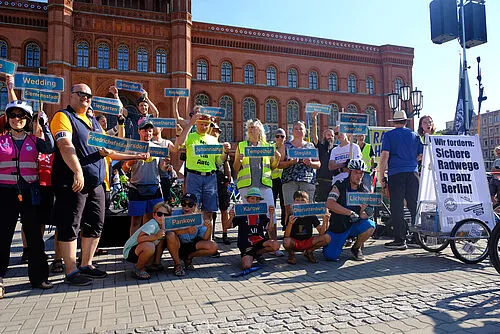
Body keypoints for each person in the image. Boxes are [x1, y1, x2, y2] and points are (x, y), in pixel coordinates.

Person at [50, 83, 114, 286]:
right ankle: (71, 271)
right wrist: (77, 171)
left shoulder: (94, 122)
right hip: (72, 181)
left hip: (96, 183)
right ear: (71, 96)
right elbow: (64, 144)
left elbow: (107, 150)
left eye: (89, 95)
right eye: (81, 94)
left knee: (95, 223)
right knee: (70, 224)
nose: (86, 98)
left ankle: (86, 264)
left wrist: (137, 155)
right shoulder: (63, 117)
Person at [0, 99, 55, 298]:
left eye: (21, 116)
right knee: (2, 237)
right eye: (13, 115)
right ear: (8, 119)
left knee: (34, 237)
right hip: (6, 193)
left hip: (30, 192)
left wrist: (45, 125)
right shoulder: (1, 141)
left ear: (28, 119)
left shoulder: (33, 140)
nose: (16, 119)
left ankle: (39, 277)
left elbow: (49, 148)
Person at [234, 119, 282, 255]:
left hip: (264, 185)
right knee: (247, 216)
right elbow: (236, 168)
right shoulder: (241, 145)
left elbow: (273, 167)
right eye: (249, 127)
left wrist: (277, 158)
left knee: (270, 213)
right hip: (246, 187)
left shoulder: (267, 146)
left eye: (253, 127)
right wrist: (239, 159)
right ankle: (248, 244)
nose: (250, 130)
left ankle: (273, 243)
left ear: (260, 130)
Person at [172, 113, 230, 223]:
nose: (204, 127)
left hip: (210, 177)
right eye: (201, 124)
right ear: (196, 124)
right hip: (194, 176)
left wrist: (225, 152)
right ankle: (194, 236)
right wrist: (190, 124)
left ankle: (208, 238)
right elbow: (180, 143)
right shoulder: (190, 136)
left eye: (206, 125)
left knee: (209, 210)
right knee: (192, 208)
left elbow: (218, 161)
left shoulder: (213, 140)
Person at [378, 110, 423, 250]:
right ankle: (417, 238)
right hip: (413, 173)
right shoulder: (414, 135)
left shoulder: (389, 135)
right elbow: (422, 154)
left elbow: (385, 155)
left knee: (397, 207)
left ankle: (400, 239)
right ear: (405, 121)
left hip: (396, 173)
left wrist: (381, 176)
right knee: (414, 205)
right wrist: (412, 161)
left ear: (394, 121)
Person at [324, 159, 376, 261]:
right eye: (356, 172)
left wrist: (363, 210)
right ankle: (338, 241)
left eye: (361, 173)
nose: (359, 176)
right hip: (339, 226)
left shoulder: (364, 190)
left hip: (354, 225)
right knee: (330, 256)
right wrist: (349, 213)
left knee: (371, 225)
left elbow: (364, 216)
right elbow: (329, 203)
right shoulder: (339, 185)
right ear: (349, 172)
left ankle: (356, 248)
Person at [123, 119, 168, 236]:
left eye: (150, 131)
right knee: (135, 221)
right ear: (139, 131)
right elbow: (124, 168)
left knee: (151, 219)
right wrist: (130, 162)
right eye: (145, 131)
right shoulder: (133, 147)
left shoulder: (157, 148)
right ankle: (132, 247)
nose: (148, 133)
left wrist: (166, 165)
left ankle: (148, 245)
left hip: (154, 188)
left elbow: (162, 169)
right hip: (136, 187)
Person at [225, 188, 280, 269]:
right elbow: (227, 226)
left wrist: (271, 215)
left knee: (275, 245)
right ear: (247, 199)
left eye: (257, 199)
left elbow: (269, 228)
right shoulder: (241, 213)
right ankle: (250, 254)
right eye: (252, 198)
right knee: (246, 266)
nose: (255, 201)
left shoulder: (261, 213)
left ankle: (257, 253)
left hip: (259, 241)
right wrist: (231, 217)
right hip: (246, 243)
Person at [278, 121, 321, 228]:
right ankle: (289, 231)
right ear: (292, 131)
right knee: (289, 208)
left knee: (307, 208)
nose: (298, 131)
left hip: (307, 180)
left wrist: (310, 163)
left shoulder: (310, 145)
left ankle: (307, 231)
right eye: (296, 129)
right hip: (289, 180)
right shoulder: (286, 145)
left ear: (305, 131)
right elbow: (279, 165)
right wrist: (290, 162)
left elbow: (318, 164)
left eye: (301, 129)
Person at [165, 193, 218, 276]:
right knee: (170, 235)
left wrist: (209, 227)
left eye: (190, 204)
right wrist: (185, 231)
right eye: (183, 204)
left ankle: (188, 257)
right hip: (177, 244)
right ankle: (177, 265)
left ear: (195, 206)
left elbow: (205, 238)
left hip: (191, 244)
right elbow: (168, 232)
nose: (186, 207)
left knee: (213, 246)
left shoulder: (198, 217)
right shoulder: (175, 214)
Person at [123, 202, 171, 280]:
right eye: (159, 214)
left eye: (166, 215)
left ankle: (153, 264)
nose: (162, 217)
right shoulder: (152, 224)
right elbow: (140, 238)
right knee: (150, 246)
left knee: (162, 239)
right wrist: (156, 236)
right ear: (154, 215)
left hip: (139, 249)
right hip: (130, 251)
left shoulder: (163, 225)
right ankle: (138, 269)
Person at [283, 191, 330, 264]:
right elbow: (286, 236)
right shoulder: (291, 215)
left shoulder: (311, 215)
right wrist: (290, 223)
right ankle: (291, 254)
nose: (300, 203)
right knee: (286, 241)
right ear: (294, 202)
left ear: (307, 202)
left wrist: (325, 221)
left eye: (303, 200)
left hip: (308, 241)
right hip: (295, 242)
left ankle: (309, 252)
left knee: (327, 237)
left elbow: (321, 233)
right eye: (297, 200)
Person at [211, 122, 232, 244]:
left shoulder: (222, 147)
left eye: (218, 131)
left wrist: (229, 178)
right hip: (210, 179)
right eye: (213, 130)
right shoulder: (208, 146)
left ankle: (225, 234)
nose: (216, 132)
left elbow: (226, 163)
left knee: (224, 209)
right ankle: (211, 234)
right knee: (211, 210)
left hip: (221, 180)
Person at [311, 113, 336, 202]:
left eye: (332, 136)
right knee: (321, 204)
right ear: (324, 136)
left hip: (334, 181)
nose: (331, 137)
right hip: (321, 180)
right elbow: (314, 136)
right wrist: (314, 119)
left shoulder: (336, 148)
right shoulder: (321, 146)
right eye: (328, 135)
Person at [271, 128, 286, 228]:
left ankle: (284, 224)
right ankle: (272, 224)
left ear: (285, 138)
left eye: (282, 136)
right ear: (274, 138)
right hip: (272, 179)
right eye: (277, 136)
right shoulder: (270, 148)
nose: (279, 138)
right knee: (272, 203)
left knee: (284, 203)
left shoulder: (287, 148)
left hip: (284, 179)